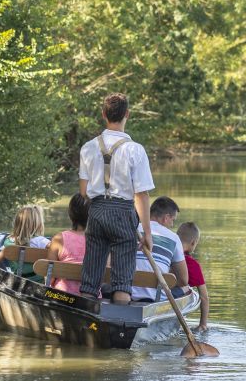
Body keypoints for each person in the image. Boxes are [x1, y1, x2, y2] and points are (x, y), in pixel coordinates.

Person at [78, 93, 155, 305]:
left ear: (104, 114)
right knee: (122, 281)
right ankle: (119, 326)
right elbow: (141, 194)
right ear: (127, 114)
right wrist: (147, 232)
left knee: (91, 277)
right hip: (123, 212)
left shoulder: (88, 147)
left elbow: (83, 191)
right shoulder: (135, 150)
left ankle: (85, 319)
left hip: (96, 211)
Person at [132, 196, 188, 302]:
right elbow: (184, 280)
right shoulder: (173, 238)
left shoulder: (132, 229)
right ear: (166, 217)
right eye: (173, 220)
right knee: (187, 288)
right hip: (156, 299)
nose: (172, 225)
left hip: (126, 294)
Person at [0, 205, 49, 278]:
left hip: (16, 283)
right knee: (50, 289)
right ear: (38, 224)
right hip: (40, 283)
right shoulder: (40, 241)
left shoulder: (9, 241)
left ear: (17, 223)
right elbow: (56, 250)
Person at [46, 193, 89, 294]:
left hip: (61, 295)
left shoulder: (59, 239)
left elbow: (50, 277)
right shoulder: (100, 240)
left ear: (71, 214)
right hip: (92, 297)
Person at [178, 221, 210, 333]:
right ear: (193, 242)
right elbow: (204, 297)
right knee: (190, 292)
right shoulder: (192, 264)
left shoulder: (166, 254)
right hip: (174, 298)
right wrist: (203, 324)